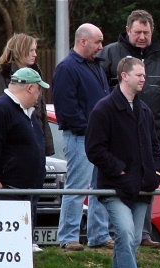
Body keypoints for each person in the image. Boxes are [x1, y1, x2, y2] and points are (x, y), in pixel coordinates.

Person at [85, 57, 160, 268]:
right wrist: (118, 170)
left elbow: (154, 146)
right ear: (123, 76)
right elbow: (94, 149)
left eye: (144, 74)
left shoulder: (144, 110)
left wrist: (156, 171)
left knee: (130, 241)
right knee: (126, 233)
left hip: (142, 188)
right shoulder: (104, 109)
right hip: (115, 188)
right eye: (139, 74)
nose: (143, 78)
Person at [98, 9, 160, 249]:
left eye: (146, 32)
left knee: (149, 179)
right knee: (119, 181)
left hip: (152, 133)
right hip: (119, 136)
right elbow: (99, 90)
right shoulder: (111, 54)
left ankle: (144, 233)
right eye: (137, 32)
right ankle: (114, 233)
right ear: (127, 31)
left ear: (152, 31)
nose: (142, 36)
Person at [53, 23, 114, 251]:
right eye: (98, 42)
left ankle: (98, 235)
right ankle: (68, 237)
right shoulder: (67, 68)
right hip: (80, 138)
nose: (101, 47)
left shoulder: (95, 67)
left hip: (99, 139)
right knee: (77, 187)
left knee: (100, 187)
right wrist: (92, 129)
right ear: (83, 41)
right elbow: (66, 109)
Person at [0, 67, 50, 268]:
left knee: (22, 243)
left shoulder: (27, 112)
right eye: (38, 90)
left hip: (28, 190)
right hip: (9, 190)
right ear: (30, 87)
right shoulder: (0, 109)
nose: (39, 96)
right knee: (1, 242)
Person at [0, 33, 55, 253]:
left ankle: (29, 239)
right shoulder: (2, 103)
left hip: (30, 171)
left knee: (32, 200)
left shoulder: (31, 103)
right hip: (10, 180)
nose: (36, 54)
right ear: (29, 88)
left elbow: (40, 117)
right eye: (32, 50)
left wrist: (45, 147)